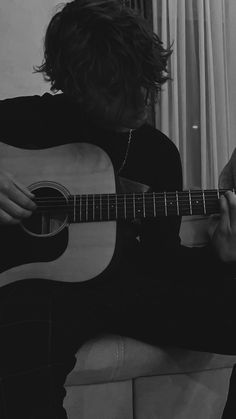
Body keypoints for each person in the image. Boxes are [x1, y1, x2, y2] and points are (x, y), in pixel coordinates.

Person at [0, 0, 236, 417]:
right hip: (35, 291)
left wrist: (220, 257)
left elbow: (164, 260)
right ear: (73, 83)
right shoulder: (20, 121)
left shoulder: (158, 152)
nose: (142, 100)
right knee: (22, 381)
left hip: (126, 287)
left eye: (147, 82)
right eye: (119, 89)